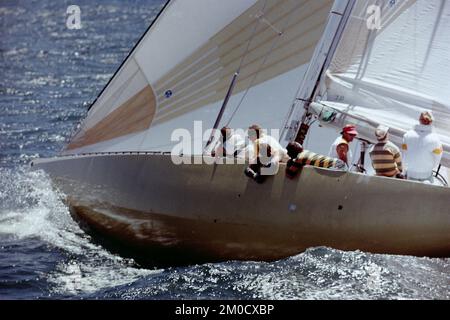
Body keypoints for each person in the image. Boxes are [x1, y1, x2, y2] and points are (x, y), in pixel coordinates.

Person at [402, 110, 443, 183]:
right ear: (431, 122)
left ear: (419, 120)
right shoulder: (435, 139)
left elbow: (404, 154)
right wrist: (429, 166)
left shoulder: (407, 135)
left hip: (411, 172)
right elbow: (437, 158)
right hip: (426, 173)